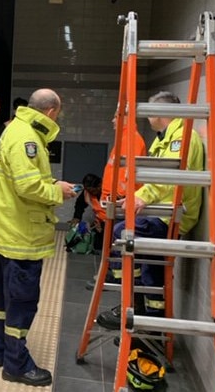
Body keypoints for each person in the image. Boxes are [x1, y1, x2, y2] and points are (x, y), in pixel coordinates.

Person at [0, 88, 77, 387]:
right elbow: (27, 187)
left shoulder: (15, 130)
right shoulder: (27, 138)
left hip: (4, 231)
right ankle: (16, 364)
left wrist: (50, 181)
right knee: (22, 303)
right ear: (50, 112)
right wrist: (56, 191)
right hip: (20, 237)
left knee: (1, 300)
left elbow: (19, 179)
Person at [97, 91, 203, 328]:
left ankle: (131, 305)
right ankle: (145, 317)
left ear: (159, 113)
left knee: (123, 233)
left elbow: (168, 175)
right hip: (161, 211)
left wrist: (140, 197)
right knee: (150, 268)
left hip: (170, 215)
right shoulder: (163, 137)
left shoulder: (182, 138)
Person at [85, 103, 147, 289]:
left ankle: (116, 278)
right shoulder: (125, 138)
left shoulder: (132, 140)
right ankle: (112, 274)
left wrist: (117, 196)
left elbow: (127, 176)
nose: (112, 120)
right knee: (112, 242)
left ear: (126, 117)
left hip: (120, 202)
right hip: (114, 201)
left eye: (116, 116)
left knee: (117, 242)